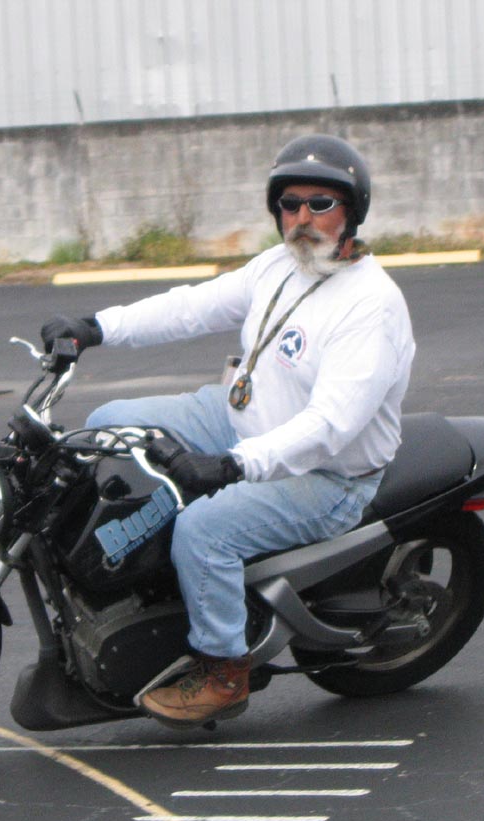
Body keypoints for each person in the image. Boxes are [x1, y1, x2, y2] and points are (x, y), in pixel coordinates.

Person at [41, 134, 415, 728]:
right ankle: (148, 582)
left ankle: (223, 669)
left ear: (352, 211)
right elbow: (191, 307)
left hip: (325, 474)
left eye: (320, 204)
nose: (302, 218)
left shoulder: (370, 306)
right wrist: (95, 328)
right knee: (108, 425)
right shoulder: (278, 266)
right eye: (289, 204)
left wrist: (234, 466)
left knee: (205, 531)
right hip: (238, 414)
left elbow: (329, 426)